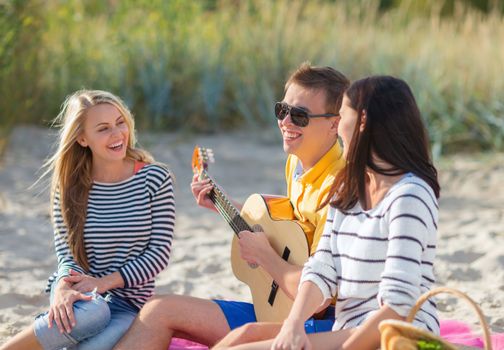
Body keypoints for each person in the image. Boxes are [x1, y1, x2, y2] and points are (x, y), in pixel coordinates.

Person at [114, 63, 350, 349]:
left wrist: (264, 256)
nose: (286, 123)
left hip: (322, 322)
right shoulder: (298, 161)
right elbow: (288, 230)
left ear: (334, 124)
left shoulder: (340, 190)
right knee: (158, 309)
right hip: (281, 309)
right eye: (281, 110)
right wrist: (222, 203)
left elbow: (321, 298)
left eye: (299, 116)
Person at [214, 75, 441, 350]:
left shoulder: (409, 196)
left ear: (363, 121)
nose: (337, 127)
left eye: (342, 115)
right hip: (349, 330)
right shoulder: (347, 187)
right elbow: (322, 267)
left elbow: (398, 305)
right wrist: (293, 325)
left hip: (398, 337)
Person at [0, 90, 175, 350]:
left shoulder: (155, 179)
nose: (118, 134)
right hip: (81, 294)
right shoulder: (70, 186)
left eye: (120, 122)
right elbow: (67, 251)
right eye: (103, 128)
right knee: (95, 312)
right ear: (82, 138)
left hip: (129, 305)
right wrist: (62, 286)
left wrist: (104, 283)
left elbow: (159, 254)